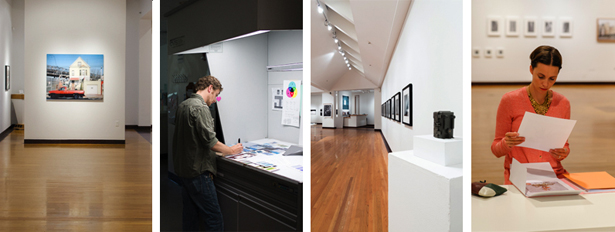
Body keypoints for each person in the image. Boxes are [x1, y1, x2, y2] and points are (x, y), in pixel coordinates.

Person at [491, 45, 570, 185]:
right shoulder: (510, 100)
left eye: (552, 78)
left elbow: (564, 145)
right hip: (520, 177)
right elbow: (496, 149)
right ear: (531, 69)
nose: (545, 83)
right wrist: (506, 143)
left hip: (554, 175)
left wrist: (563, 152)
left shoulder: (563, 103)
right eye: (541, 76)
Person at [173, 75, 243, 231]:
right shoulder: (200, 108)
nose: (214, 100)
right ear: (210, 88)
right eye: (216, 95)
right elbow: (211, 142)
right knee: (214, 219)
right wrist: (232, 150)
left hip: (184, 171)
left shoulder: (183, 105)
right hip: (199, 173)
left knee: (190, 216)